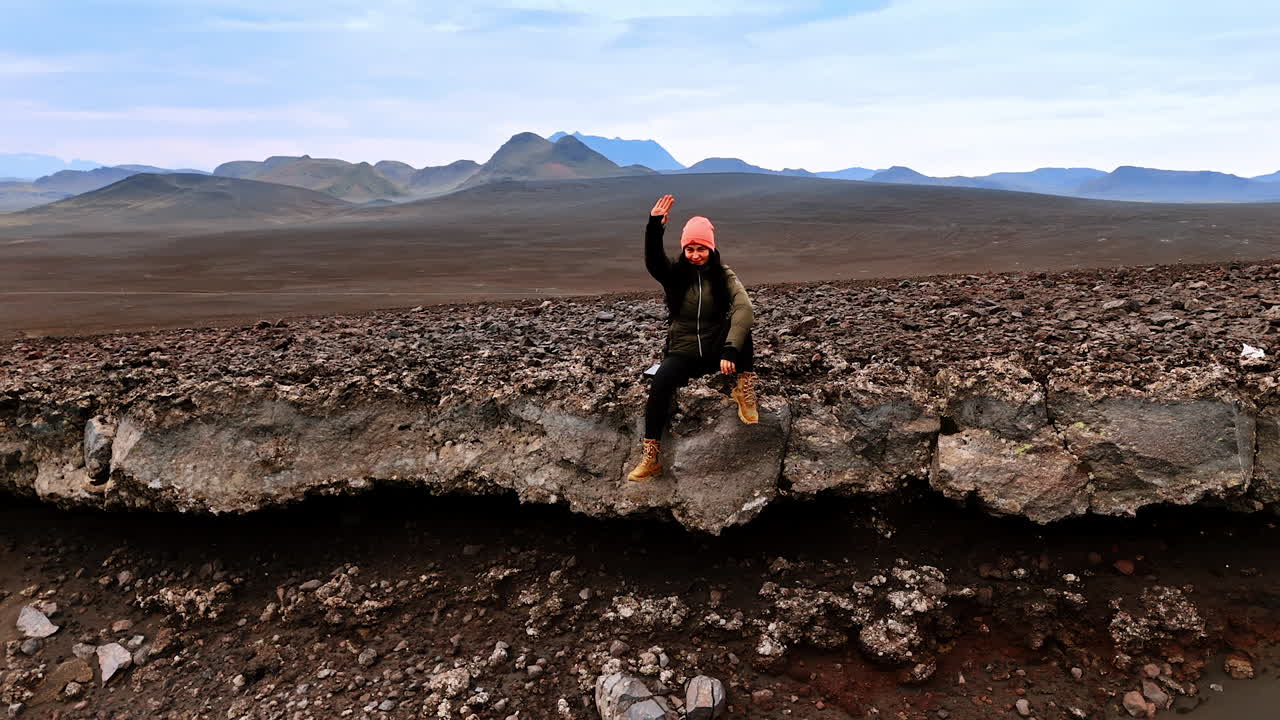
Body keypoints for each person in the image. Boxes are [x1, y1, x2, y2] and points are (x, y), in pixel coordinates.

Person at [627, 194, 757, 482]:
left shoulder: (723, 275)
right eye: (690, 249)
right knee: (660, 385)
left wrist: (731, 351)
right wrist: (653, 227)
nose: (695, 254)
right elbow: (654, 263)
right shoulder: (675, 275)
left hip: (714, 350)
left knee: (742, 327)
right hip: (683, 350)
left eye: (701, 248)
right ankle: (651, 457)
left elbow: (744, 308)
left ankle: (744, 386)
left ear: (711, 248)